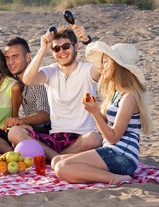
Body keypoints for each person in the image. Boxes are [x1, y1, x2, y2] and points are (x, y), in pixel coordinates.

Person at [52, 41, 152, 185]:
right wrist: (97, 109)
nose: (101, 67)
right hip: (112, 152)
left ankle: (116, 178)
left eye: (105, 63)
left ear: (118, 67)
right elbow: (108, 128)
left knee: (62, 168)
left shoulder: (129, 97)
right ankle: (107, 174)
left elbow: (113, 138)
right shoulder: (117, 93)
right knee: (56, 161)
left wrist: (95, 114)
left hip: (122, 157)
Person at [8, 25, 103, 160]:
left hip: (81, 139)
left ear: (76, 47)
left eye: (66, 46)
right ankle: (58, 159)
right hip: (55, 138)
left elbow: (103, 62)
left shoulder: (87, 71)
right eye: (56, 48)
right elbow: (28, 79)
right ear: (52, 52)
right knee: (15, 132)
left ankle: (54, 159)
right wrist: (42, 49)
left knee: (94, 138)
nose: (61, 52)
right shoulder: (50, 71)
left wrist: (86, 40)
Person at [0, 37, 51, 154]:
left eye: (15, 57)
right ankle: (12, 153)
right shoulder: (15, 80)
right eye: (7, 58)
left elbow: (46, 114)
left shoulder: (37, 79)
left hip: (45, 131)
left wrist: (20, 120)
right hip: (25, 128)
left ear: (27, 57)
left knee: (16, 131)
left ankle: (17, 154)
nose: (10, 62)